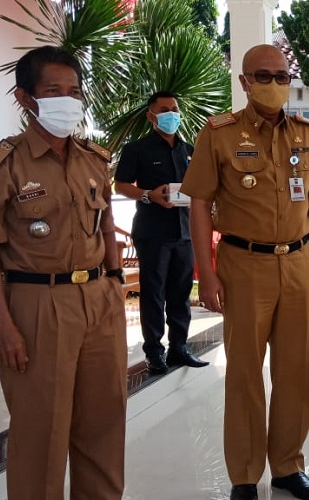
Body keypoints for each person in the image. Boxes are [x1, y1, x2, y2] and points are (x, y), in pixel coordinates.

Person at [0, 45, 127, 499]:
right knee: (42, 433)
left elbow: (106, 224)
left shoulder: (94, 159)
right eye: (53, 90)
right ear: (25, 98)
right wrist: (2, 325)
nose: (67, 100)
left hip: (98, 300)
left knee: (104, 424)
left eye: (74, 91)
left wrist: (115, 281)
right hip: (38, 304)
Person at [180, 44, 309, 500]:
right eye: (263, 76)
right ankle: (245, 474)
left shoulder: (307, 133)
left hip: (298, 262)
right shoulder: (220, 133)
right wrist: (206, 274)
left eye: (282, 75)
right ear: (244, 82)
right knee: (245, 372)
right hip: (243, 263)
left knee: (296, 371)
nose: (274, 84)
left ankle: (288, 466)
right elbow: (199, 205)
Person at [114, 90, 208, 375]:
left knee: (181, 293)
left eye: (175, 109)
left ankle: (179, 347)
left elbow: (201, 188)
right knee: (154, 294)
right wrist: (148, 195)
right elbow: (120, 185)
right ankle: (154, 352)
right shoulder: (137, 149)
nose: (171, 115)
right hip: (152, 233)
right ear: (151, 116)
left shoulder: (189, 150)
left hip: (185, 232)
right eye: (165, 110)